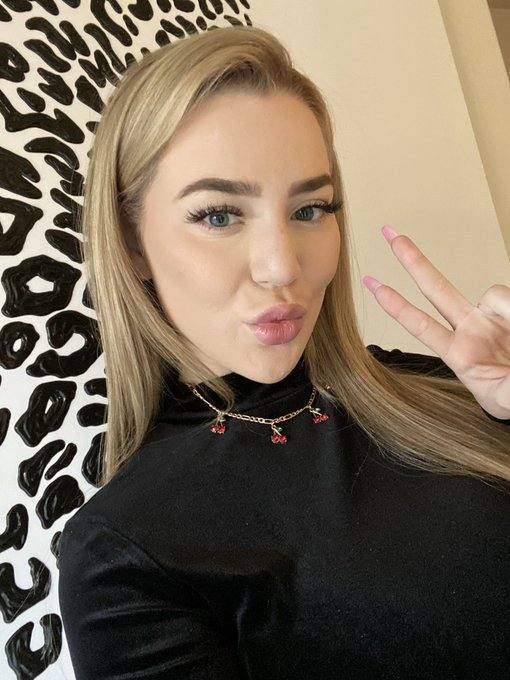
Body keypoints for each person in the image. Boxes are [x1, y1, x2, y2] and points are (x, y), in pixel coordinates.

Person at [57, 24, 510, 680]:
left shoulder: (442, 384)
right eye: (218, 215)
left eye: (309, 209)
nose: (283, 266)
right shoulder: (125, 553)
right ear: (131, 241)